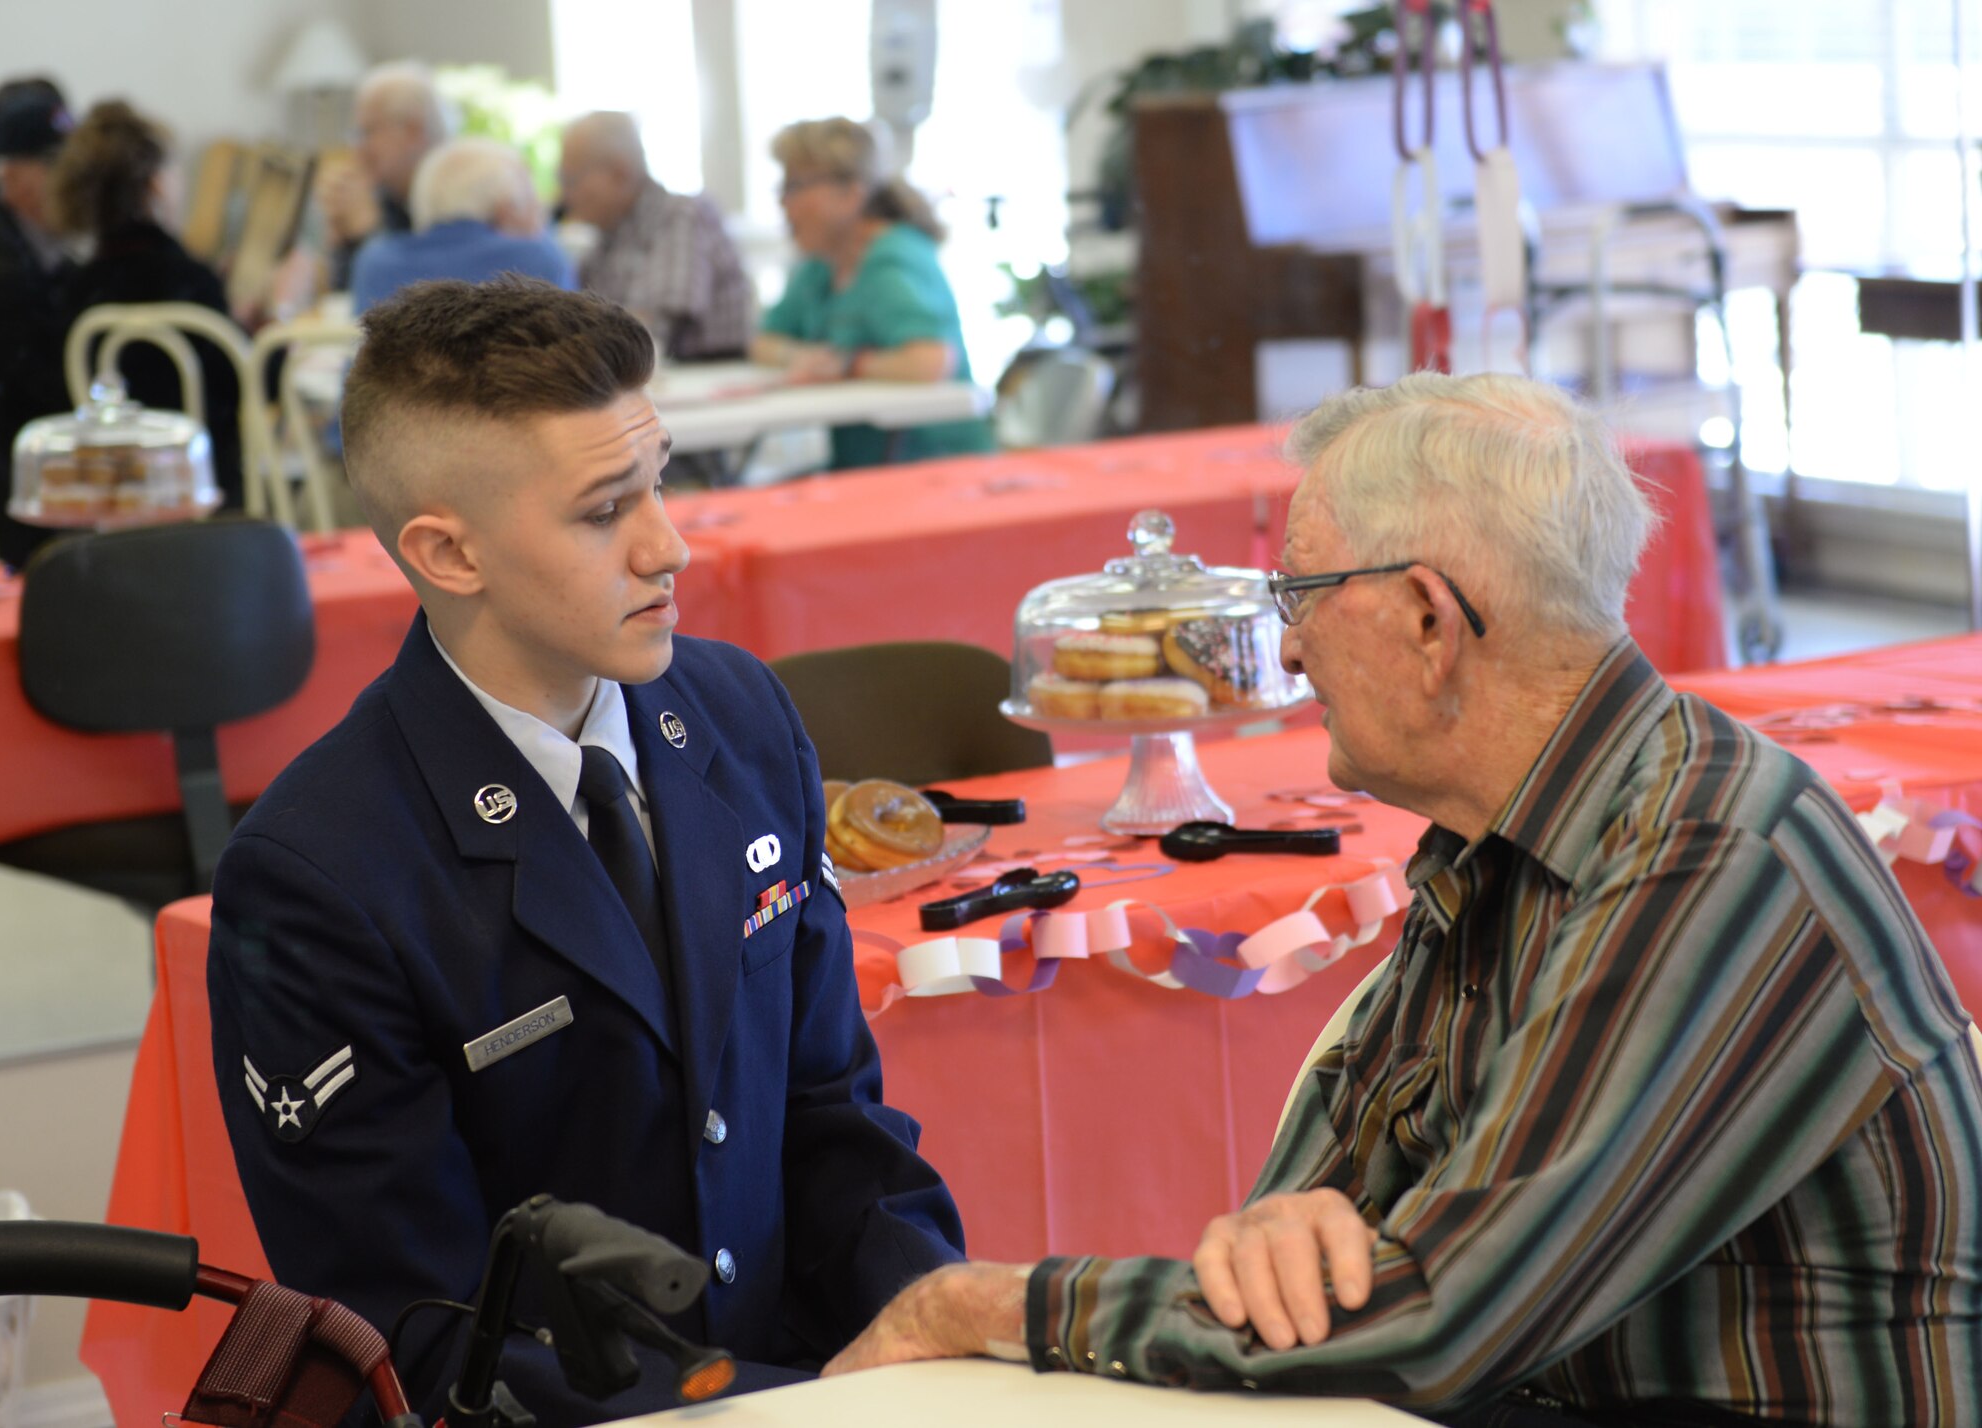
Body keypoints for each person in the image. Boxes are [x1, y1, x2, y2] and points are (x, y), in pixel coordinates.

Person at [822, 373, 1982, 1427]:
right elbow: (1298, 1244)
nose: (1288, 644)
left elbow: (1440, 1318)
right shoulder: (1501, 836)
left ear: (1428, 620)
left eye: (1301, 591)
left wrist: (984, 1307)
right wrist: (1281, 1240)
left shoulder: (1705, 850)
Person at [206, 276, 964, 1425]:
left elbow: (829, 1112)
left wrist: (933, 1321)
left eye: (660, 481)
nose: (670, 546)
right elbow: (411, 1321)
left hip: (809, 1384)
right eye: (604, 510)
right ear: (449, 555)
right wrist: (754, 1406)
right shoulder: (320, 872)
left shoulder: (738, 715)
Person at [750, 116, 992, 469]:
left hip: (932, 467)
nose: (783, 203)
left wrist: (845, 364)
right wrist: (802, 357)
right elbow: (763, 341)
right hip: (863, 466)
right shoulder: (821, 266)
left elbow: (929, 361)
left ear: (850, 193)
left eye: (794, 186)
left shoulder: (892, 258)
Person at [52, 100, 244, 513]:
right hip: (202, 497)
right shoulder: (187, 279)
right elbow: (244, 381)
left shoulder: (75, 288)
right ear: (156, 185)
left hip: (111, 504)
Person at [561, 111, 751, 362]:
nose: (564, 195)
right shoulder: (607, 238)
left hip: (712, 374)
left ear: (620, 173)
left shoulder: (682, 215)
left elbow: (650, 330)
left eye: (571, 180)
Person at [0, 80, 76, 569]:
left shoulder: (27, 233)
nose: (70, 180)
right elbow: (55, 389)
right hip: (25, 493)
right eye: (54, 165)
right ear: (11, 171)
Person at [350, 137, 574, 312]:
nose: (541, 216)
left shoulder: (375, 261)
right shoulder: (540, 259)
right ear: (507, 211)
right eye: (531, 203)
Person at [317, 60, 447, 291]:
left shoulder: (456, 197)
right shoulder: (385, 196)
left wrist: (369, 234)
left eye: (368, 132)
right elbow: (348, 298)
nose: (358, 148)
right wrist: (342, 238)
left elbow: (425, 300)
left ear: (412, 132)